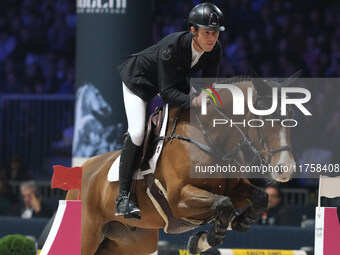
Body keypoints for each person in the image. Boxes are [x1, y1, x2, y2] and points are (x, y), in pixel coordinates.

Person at [115, 2, 225, 219]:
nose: (212, 39)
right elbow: (166, 94)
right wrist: (195, 101)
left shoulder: (215, 50)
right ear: (193, 31)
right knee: (137, 131)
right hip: (139, 81)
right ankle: (123, 198)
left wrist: (208, 97)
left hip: (171, 81)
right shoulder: (172, 47)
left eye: (215, 33)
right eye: (207, 33)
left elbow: (208, 86)